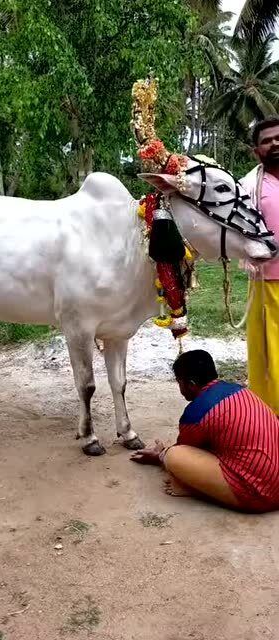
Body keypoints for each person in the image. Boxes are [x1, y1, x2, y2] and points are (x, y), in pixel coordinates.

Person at [131, 350, 279, 513]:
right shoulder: (240, 390)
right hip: (273, 477)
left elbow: (186, 452)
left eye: (179, 382)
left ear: (191, 384)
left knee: (173, 455)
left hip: (260, 494)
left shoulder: (197, 412)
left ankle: (197, 490)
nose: (179, 387)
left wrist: (161, 455)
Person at [241, 116, 279, 416]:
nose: (275, 143)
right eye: (267, 140)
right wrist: (245, 254)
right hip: (267, 283)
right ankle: (269, 417)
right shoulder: (249, 186)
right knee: (267, 355)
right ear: (256, 151)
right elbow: (239, 228)